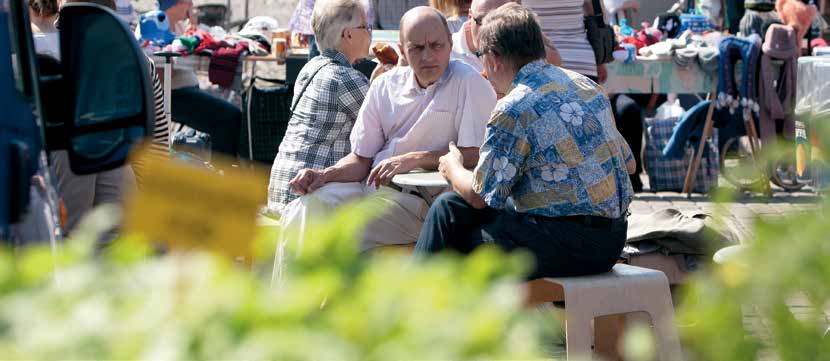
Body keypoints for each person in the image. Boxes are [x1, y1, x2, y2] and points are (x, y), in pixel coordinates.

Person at [414, 3, 636, 279]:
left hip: (571, 245)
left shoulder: (514, 107)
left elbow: (480, 197)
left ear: (494, 57)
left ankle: (414, 311)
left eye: (481, 56)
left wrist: (452, 166)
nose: (483, 70)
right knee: (449, 209)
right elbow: (630, 165)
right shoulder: (585, 85)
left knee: (458, 235)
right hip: (612, 240)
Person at [276, 7, 497, 277]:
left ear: (450, 44)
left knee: (334, 233)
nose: (428, 56)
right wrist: (324, 174)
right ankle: (286, 314)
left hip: (422, 203)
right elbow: (361, 159)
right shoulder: (385, 86)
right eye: (417, 48)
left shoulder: (468, 82)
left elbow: (477, 154)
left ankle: (316, 310)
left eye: (436, 46)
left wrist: (416, 158)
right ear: (402, 51)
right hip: (373, 188)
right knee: (302, 210)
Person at [267, 0, 372, 213]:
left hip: (281, 188)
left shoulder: (310, 68)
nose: (370, 33)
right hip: (309, 198)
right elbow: (389, 124)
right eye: (365, 27)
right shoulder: (346, 79)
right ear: (348, 35)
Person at [136, 0, 242, 159]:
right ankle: (225, 173)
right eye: (188, 2)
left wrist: (193, 26)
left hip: (185, 92)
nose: (192, 5)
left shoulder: (178, 26)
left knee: (228, 115)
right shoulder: (150, 26)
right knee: (229, 117)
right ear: (174, 5)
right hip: (170, 96)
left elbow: (195, 42)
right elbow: (157, 75)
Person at [450, 0, 561, 74]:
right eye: (482, 21)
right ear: (470, 17)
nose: (490, 31)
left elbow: (554, 66)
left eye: (501, 23)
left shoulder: (526, 41)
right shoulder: (446, 53)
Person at [523, 0, 606, 83]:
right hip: (581, 61)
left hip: (539, 62)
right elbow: (598, 17)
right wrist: (600, 62)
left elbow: (512, 18)